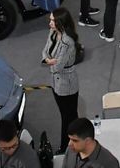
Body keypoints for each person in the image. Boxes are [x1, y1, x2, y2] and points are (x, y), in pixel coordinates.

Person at [42, 8, 80, 154]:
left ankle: (66, 147)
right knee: (67, 114)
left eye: (53, 20)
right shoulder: (52, 33)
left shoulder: (67, 41)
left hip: (67, 84)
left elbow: (58, 66)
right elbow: (45, 51)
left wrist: (50, 62)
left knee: (68, 117)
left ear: (60, 22)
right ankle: (75, 141)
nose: (50, 23)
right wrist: (48, 60)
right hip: (55, 82)